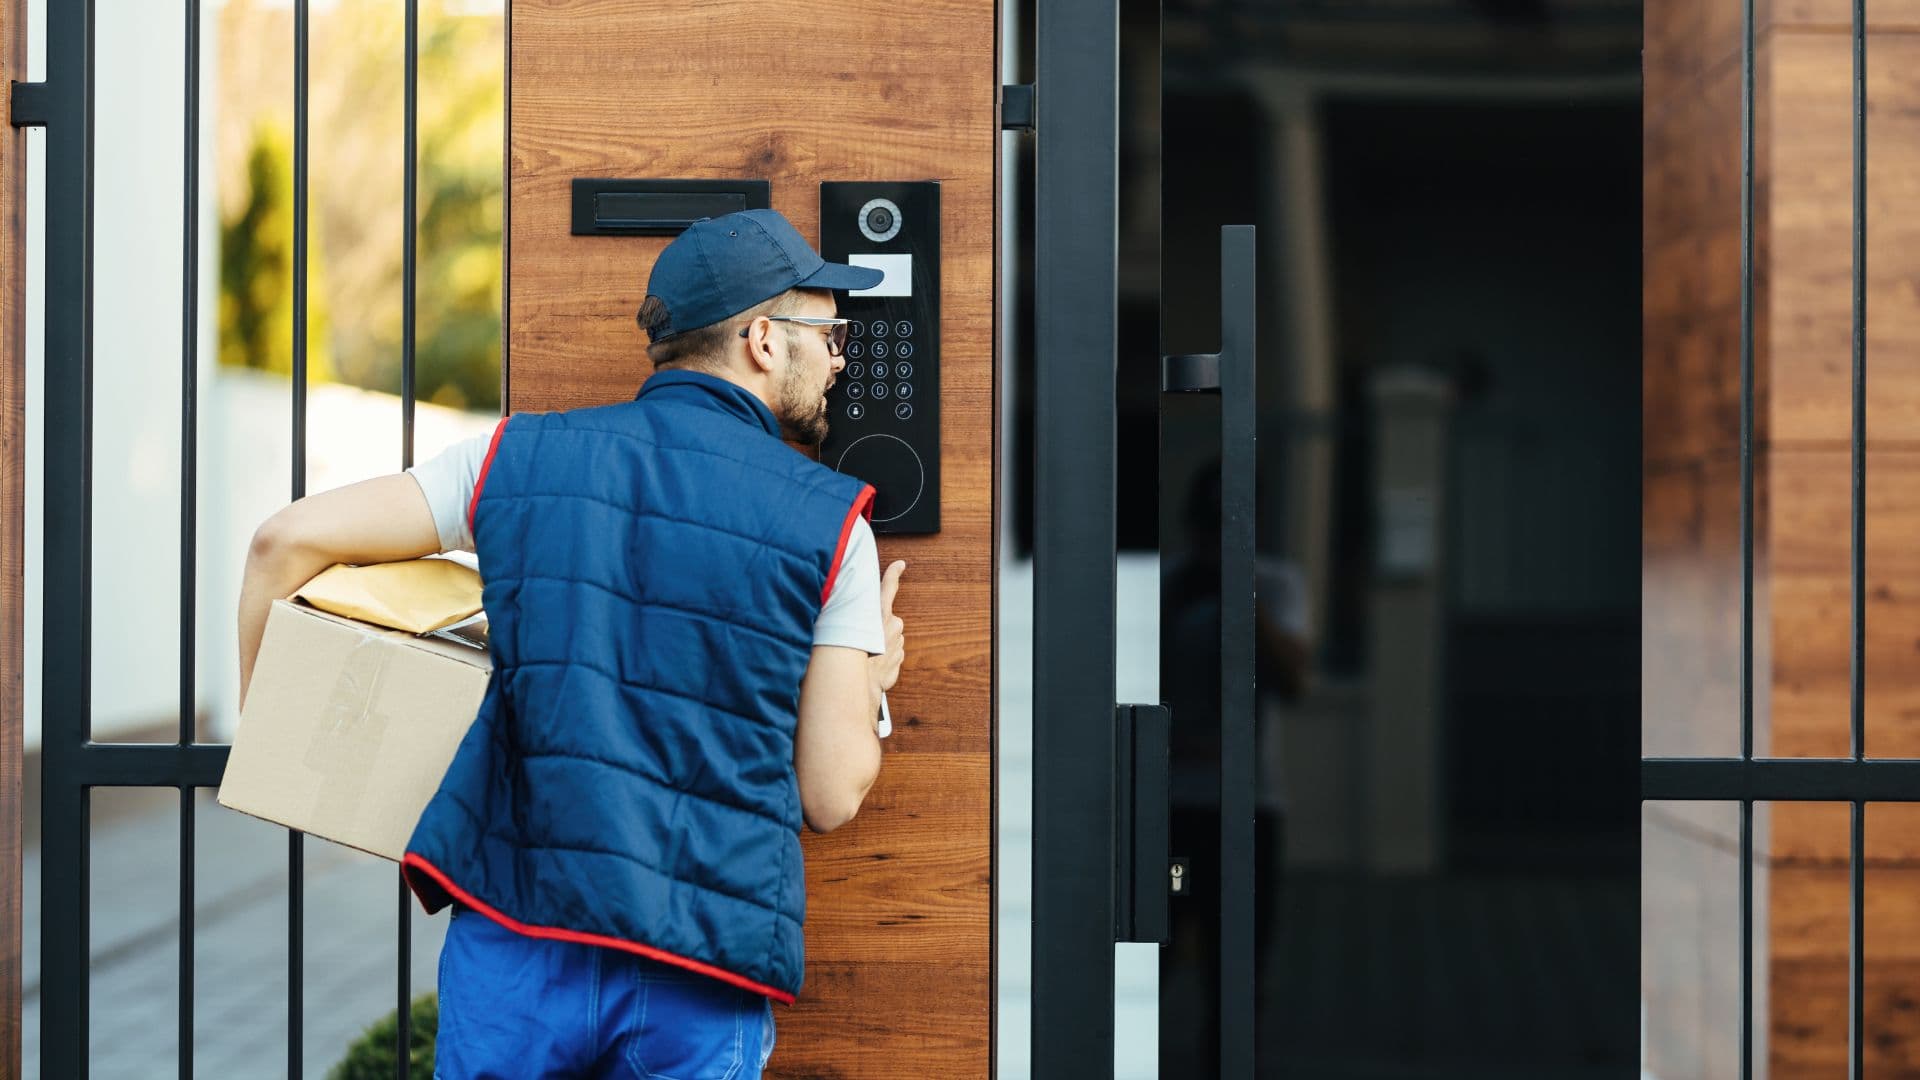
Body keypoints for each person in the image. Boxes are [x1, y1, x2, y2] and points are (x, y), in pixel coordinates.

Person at [236, 209, 909, 1079]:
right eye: (832, 332)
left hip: (517, 939)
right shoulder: (831, 525)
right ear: (764, 340)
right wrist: (874, 679)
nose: (843, 356)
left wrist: (277, 754)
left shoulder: (511, 460)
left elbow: (279, 544)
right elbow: (831, 791)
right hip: (699, 965)